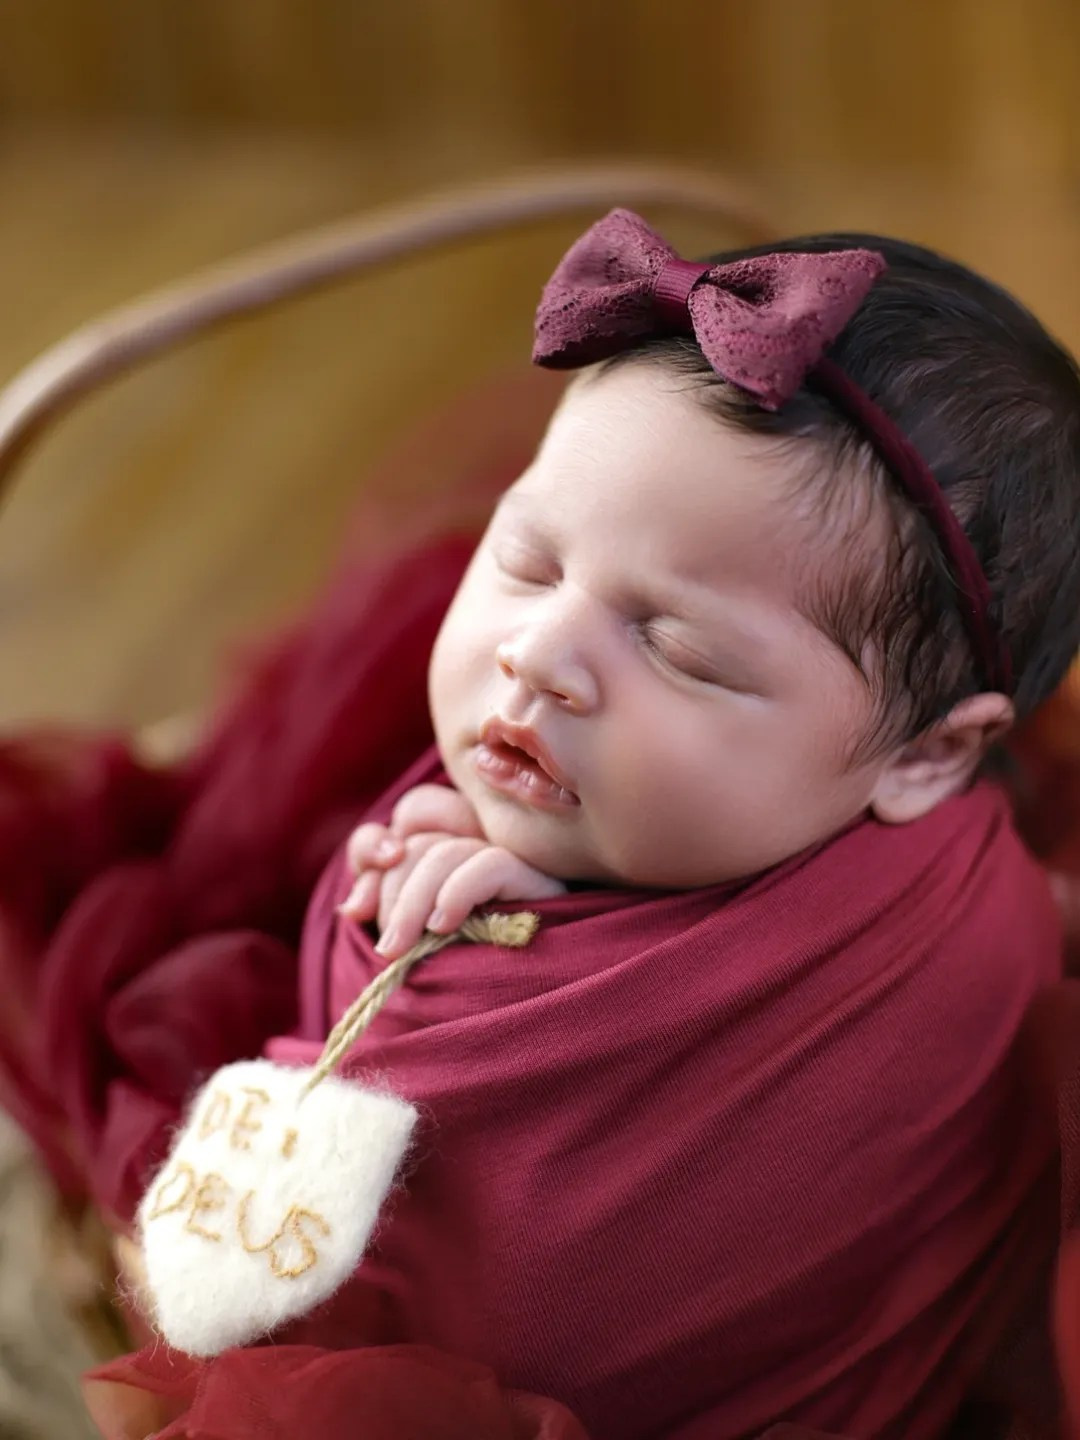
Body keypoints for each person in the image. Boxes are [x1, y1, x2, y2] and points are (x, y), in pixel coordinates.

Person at [22, 211, 1080, 1437]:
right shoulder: (959, 851)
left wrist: (395, 944)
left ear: (932, 753)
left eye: (679, 649)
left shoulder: (836, 984)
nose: (540, 657)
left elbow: (384, 1204)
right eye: (524, 555)